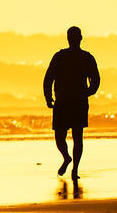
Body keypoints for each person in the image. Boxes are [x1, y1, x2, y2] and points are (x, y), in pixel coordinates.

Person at [43, 26, 101, 181]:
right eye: (71, 37)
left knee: (77, 136)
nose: (73, 39)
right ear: (68, 38)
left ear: (80, 38)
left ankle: (75, 169)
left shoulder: (86, 57)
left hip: (77, 102)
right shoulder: (60, 56)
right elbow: (48, 78)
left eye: (75, 37)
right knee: (60, 137)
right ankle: (67, 158)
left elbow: (96, 80)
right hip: (63, 101)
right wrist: (48, 97)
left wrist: (88, 92)